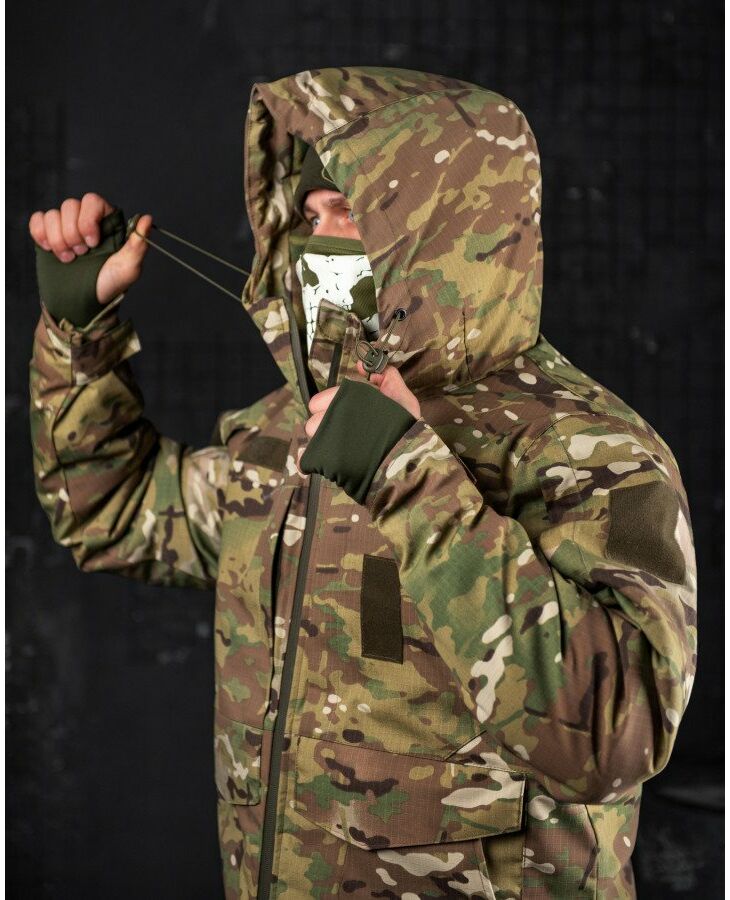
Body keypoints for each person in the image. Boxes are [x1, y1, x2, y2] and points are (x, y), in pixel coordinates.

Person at [28, 66, 697, 899]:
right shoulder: (288, 430)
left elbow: (614, 740)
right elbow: (115, 513)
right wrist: (79, 337)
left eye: (350, 212)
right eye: (309, 216)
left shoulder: (585, 452)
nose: (319, 240)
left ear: (438, 227)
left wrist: (408, 476)